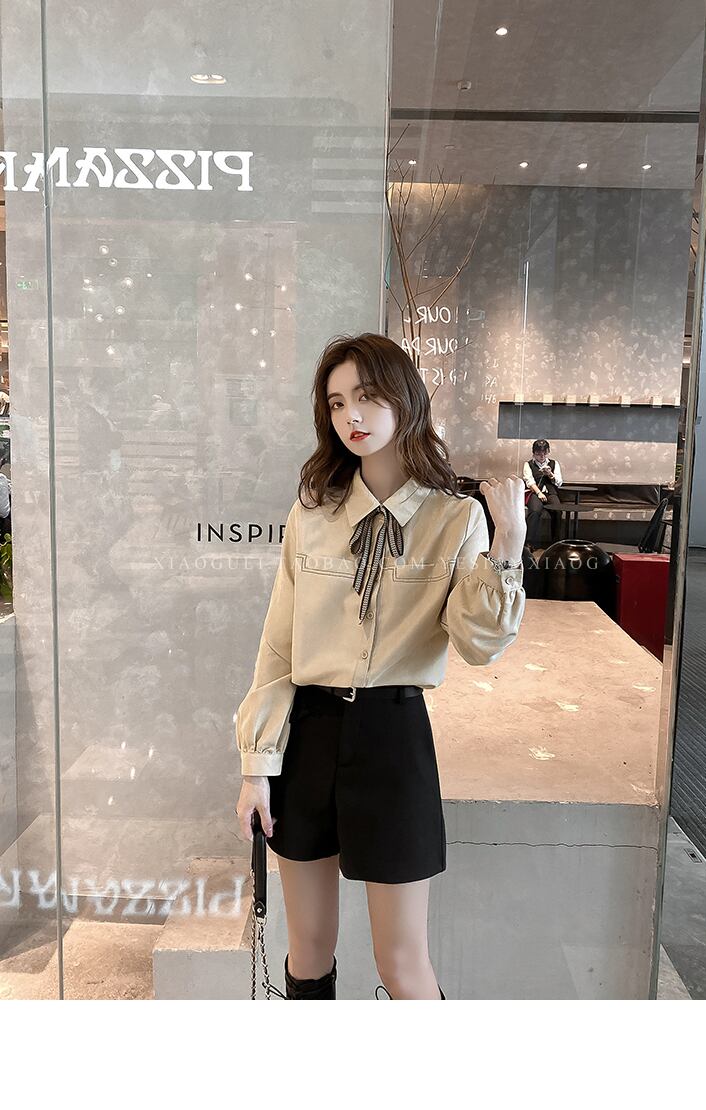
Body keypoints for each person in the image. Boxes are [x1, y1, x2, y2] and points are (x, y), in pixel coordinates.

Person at [234, 333, 527, 1000]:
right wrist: (256, 765)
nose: (352, 416)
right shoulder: (312, 516)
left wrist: (508, 543)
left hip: (394, 739)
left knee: (402, 962)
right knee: (307, 951)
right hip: (309, 736)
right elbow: (278, 650)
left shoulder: (455, 518)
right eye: (337, 403)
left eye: (366, 396)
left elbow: (480, 644)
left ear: (405, 399)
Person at [522, 438, 563, 551]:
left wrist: (550, 474)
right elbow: (529, 482)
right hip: (535, 492)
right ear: (534, 453)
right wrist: (539, 493)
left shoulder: (554, 463)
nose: (542, 456)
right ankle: (529, 543)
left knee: (558, 511)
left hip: (550, 492)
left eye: (544, 453)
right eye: (538, 453)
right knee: (535, 511)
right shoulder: (528, 464)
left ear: (548, 452)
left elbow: (559, 483)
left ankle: (556, 543)